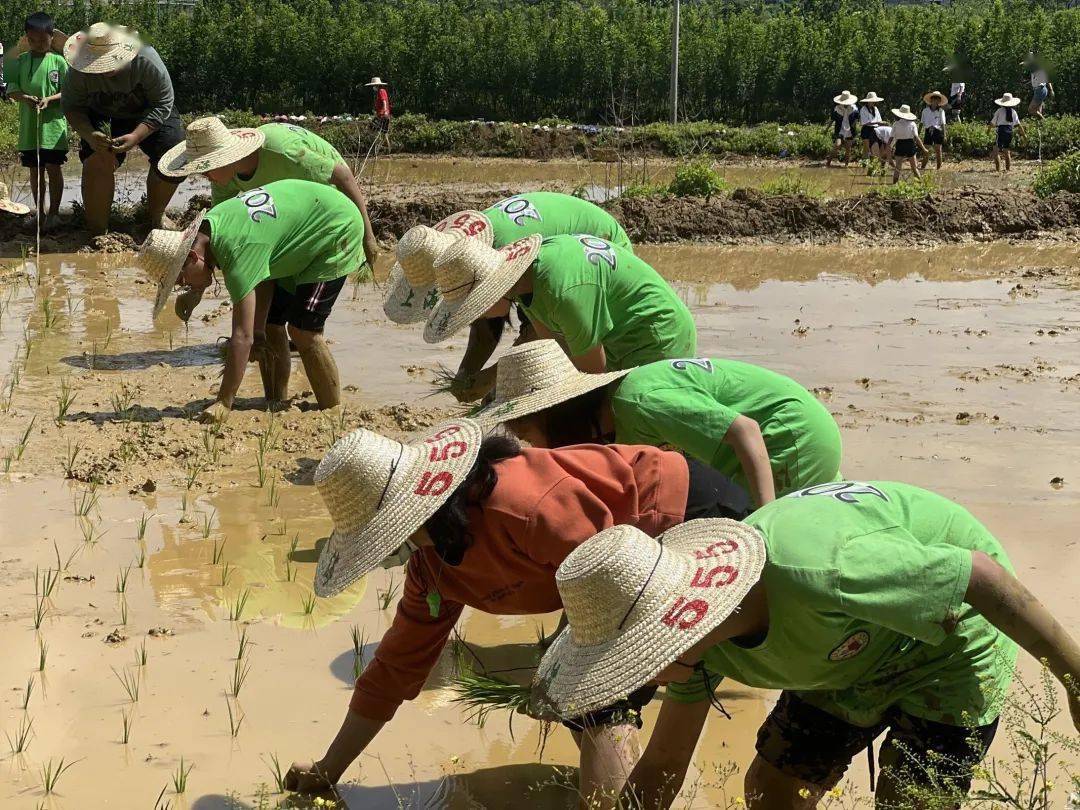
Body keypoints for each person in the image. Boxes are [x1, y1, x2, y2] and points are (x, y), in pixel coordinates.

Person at [284, 418, 749, 805]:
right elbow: (396, 668)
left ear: (419, 513)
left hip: (680, 518)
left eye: (382, 538)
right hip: (599, 560)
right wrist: (329, 769)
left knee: (597, 699)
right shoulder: (432, 566)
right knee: (580, 695)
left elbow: (607, 578)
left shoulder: (523, 509)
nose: (386, 553)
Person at [534, 484, 1080, 809]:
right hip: (846, 650)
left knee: (910, 799)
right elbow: (666, 764)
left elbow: (979, 576)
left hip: (954, 638)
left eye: (635, 668)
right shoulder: (701, 648)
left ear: (669, 636)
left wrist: (1075, 680)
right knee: (771, 790)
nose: (640, 686)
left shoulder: (815, 573)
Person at [477, 340, 841, 508]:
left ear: (556, 414)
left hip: (790, 438)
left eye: (527, 435)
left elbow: (745, 430)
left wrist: (766, 524)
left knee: (760, 550)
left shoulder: (637, 402)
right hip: (759, 446)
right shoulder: (615, 417)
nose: (535, 450)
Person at [137, 179, 366, 421]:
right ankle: (275, 403)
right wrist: (257, 330)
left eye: (180, 279)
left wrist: (224, 402)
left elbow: (241, 337)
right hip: (299, 233)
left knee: (303, 331)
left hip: (336, 229)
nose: (182, 286)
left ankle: (332, 413)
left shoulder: (236, 251)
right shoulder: (213, 226)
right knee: (269, 327)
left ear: (192, 256)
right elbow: (262, 274)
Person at [385, 192, 634, 400]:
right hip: (558, 262)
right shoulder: (467, 255)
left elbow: (543, 333)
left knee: (585, 356)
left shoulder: (498, 258)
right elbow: (487, 324)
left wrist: (494, 378)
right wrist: (467, 374)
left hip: (600, 250)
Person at [157, 116, 379, 321]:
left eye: (207, 167)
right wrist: (196, 290)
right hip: (287, 212)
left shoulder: (281, 153)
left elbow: (343, 176)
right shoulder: (224, 180)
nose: (204, 175)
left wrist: (368, 238)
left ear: (224, 158)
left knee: (304, 314)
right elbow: (214, 240)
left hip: (329, 202)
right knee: (274, 299)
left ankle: (301, 330)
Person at [421, 233, 696, 374]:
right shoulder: (525, 279)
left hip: (655, 337)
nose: (475, 319)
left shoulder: (562, 293)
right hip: (618, 337)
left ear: (491, 293)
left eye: (473, 311)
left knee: (619, 421)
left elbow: (591, 377)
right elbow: (553, 350)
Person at [61, 22, 184, 236]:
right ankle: (98, 232)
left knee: (173, 153)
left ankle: (155, 216)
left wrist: (137, 135)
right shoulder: (78, 69)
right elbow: (72, 107)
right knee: (97, 157)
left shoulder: (146, 60)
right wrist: (90, 135)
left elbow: (163, 102)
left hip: (146, 108)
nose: (105, 68)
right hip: (100, 110)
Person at [5, 12, 68, 230]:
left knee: (54, 168)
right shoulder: (19, 61)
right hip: (29, 129)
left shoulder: (59, 62)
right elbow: (12, 90)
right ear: (27, 39)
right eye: (32, 40)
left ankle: (55, 214)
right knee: (35, 170)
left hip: (54, 128)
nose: (37, 44)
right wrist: (25, 98)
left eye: (42, 40)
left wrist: (50, 99)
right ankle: (39, 213)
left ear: (52, 37)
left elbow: (69, 93)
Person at [889, 104, 926, 183]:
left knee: (897, 168)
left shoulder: (896, 124)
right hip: (910, 145)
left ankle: (894, 185)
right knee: (914, 167)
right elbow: (916, 138)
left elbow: (891, 138)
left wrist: (889, 147)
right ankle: (920, 184)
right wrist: (923, 148)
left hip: (900, 145)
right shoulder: (912, 124)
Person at [988, 93, 1025, 173]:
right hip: (1009, 131)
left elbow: (992, 123)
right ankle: (1008, 170)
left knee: (996, 151)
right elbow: (1018, 125)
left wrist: (988, 131)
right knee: (1006, 151)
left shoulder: (999, 110)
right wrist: (1024, 135)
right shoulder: (1013, 112)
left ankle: (998, 170)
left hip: (1001, 131)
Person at [826, 91, 859, 168]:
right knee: (837, 145)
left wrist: (855, 130)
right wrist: (826, 129)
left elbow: (856, 120)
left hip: (850, 131)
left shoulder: (854, 109)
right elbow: (832, 120)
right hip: (840, 130)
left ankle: (846, 165)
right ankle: (828, 162)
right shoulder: (837, 109)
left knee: (848, 148)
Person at [920, 91, 948, 171]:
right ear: (931, 100)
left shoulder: (941, 111)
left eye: (938, 99)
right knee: (926, 150)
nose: (936, 101)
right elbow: (921, 122)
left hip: (937, 131)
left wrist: (945, 134)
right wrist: (918, 133)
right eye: (934, 99)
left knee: (938, 151)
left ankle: (938, 168)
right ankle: (922, 168)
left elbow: (943, 124)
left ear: (939, 101)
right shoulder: (925, 111)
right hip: (928, 131)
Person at [1024, 53, 1054, 119]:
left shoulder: (1037, 68)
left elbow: (1046, 79)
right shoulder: (1035, 68)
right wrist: (1029, 83)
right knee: (1038, 110)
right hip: (1040, 89)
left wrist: (1051, 90)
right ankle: (1042, 125)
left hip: (1040, 90)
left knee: (1031, 110)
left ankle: (1044, 121)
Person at [366, 76, 391, 150]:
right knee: (384, 132)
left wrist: (385, 111)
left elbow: (384, 102)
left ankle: (377, 144)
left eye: (373, 86)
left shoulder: (381, 91)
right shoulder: (381, 91)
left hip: (382, 115)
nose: (373, 87)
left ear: (376, 85)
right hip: (382, 115)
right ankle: (388, 149)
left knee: (371, 128)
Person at [858, 92, 884, 159]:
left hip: (876, 130)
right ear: (868, 101)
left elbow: (879, 120)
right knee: (868, 149)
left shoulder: (875, 109)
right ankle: (867, 164)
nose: (873, 102)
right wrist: (877, 122)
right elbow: (865, 122)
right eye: (872, 101)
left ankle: (864, 164)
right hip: (866, 130)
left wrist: (881, 124)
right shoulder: (863, 109)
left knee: (868, 150)